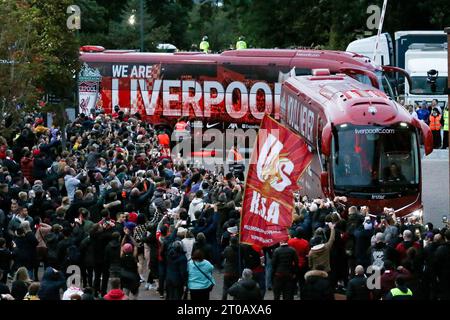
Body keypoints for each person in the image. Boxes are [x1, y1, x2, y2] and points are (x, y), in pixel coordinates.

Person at [222, 236, 239, 300]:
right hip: (236, 271)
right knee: (236, 288)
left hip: (228, 271)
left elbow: (223, 255)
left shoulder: (227, 249)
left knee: (225, 287)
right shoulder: (239, 249)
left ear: (230, 242)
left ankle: (224, 298)